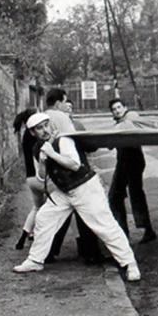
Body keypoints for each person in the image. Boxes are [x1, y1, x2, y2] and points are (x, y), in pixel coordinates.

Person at [13, 112, 141, 282]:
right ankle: (35, 260)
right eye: (39, 128)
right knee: (44, 217)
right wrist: (43, 160)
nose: (44, 130)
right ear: (32, 133)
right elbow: (41, 178)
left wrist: (52, 154)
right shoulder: (38, 148)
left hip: (85, 187)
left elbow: (74, 165)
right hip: (64, 192)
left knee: (105, 226)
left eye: (46, 125)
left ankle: (130, 264)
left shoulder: (64, 139)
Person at [44, 88, 102, 263]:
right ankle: (90, 253)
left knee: (60, 214)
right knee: (85, 212)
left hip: (55, 173)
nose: (67, 107)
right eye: (65, 103)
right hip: (73, 171)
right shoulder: (63, 119)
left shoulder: (43, 118)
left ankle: (49, 251)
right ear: (59, 102)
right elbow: (76, 142)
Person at [109, 98, 157, 243]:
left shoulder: (131, 116)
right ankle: (126, 231)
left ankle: (143, 230)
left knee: (131, 194)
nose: (117, 111)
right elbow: (111, 143)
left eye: (119, 107)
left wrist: (112, 133)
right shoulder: (118, 124)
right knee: (117, 196)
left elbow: (128, 126)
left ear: (125, 107)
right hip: (123, 162)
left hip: (133, 161)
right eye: (114, 109)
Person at [12, 108, 45, 251]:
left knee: (37, 208)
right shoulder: (34, 136)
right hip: (40, 176)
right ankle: (40, 237)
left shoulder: (26, 136)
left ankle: (23, 238)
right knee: (52, 208)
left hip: (30, 178)